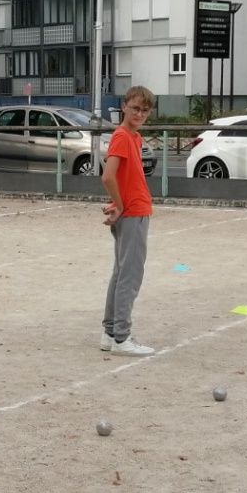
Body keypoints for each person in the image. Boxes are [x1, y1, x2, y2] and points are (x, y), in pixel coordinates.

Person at [99, 86, 158, 356]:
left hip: (132, 210)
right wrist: (121, 206)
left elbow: (121, 178)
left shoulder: (132, 138)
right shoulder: (122, 137)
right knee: (130, 276)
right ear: (124, 106)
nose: (140, 114)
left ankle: (111, 332)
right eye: (135, 108)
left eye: (145, 110)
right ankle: (122, 337)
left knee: (121, 272)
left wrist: (117, 204)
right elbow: (108, 176)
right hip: (133, 212)